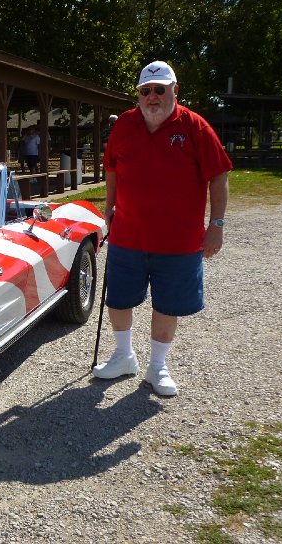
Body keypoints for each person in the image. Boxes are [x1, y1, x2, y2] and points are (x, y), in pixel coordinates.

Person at [93, 60, 232, 396]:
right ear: (139, 94)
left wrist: (216, 225)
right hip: (128, 234)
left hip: (178, 241)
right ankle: (124, 356)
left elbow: (219, 175)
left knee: (168, 304)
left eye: (159, 89)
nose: (152, 97)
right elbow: (111, 166)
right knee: (119, 298)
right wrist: (109, 205)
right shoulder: (125, 125)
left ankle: (158, 366)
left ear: (174, 90)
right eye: (146, 91)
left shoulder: (195, 127)